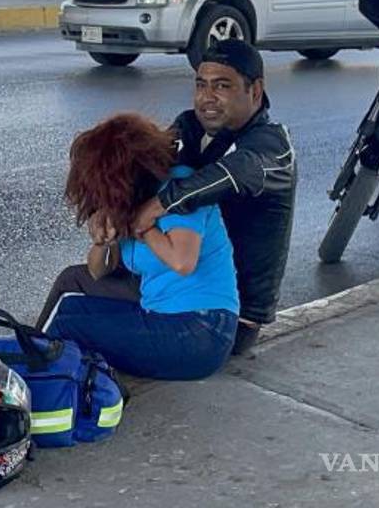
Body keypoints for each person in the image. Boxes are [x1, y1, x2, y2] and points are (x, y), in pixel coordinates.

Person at [36, 114, 240, 381]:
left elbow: (183, 262)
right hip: (163, 315)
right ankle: (29, 356)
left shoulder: (178, 189)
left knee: (66, 326)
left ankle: (34, 379)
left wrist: (144, 226)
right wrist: (102, 242)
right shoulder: (132, 197)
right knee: (68, 309)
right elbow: (98, 272)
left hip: (202, 331)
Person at [134, 39, 296, 357]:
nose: (207, 98)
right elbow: (147, 167)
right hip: (182, 286)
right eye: (201, 85)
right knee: (79, 282)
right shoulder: (192, 127)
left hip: (229, 319)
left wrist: (156, 207)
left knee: (80, 310)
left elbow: (230, 174)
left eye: (222, 86)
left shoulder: (273, 146)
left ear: (255, 91)